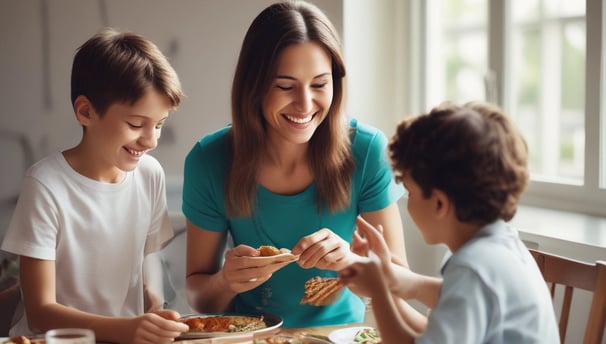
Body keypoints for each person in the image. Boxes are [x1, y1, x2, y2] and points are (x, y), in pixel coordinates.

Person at [182, 0, 423, 329]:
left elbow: (400, 282)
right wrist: (226, 281)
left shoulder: (366, 151)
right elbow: (199, 296)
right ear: (253, 86)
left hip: (341, 335)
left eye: (320, 84)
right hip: (251, 335)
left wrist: (350, 262)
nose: (305, 104)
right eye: (284, 86)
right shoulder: (208, 160)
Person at [0, 28, 190, 343]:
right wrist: (127, 328)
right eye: (135, 124)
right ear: (86, 112)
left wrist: (153, 299)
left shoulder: (149, 174)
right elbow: (40, 311)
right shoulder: (45, 184)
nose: (151, 140)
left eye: (159, 124)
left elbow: (148, 257)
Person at [340, 101, 560, 343]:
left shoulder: (473, 268)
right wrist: (390, 283)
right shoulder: (500, 248)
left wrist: (380, 291)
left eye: (410, 193)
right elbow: (436, 322)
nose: (409, 203)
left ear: (439, 204)